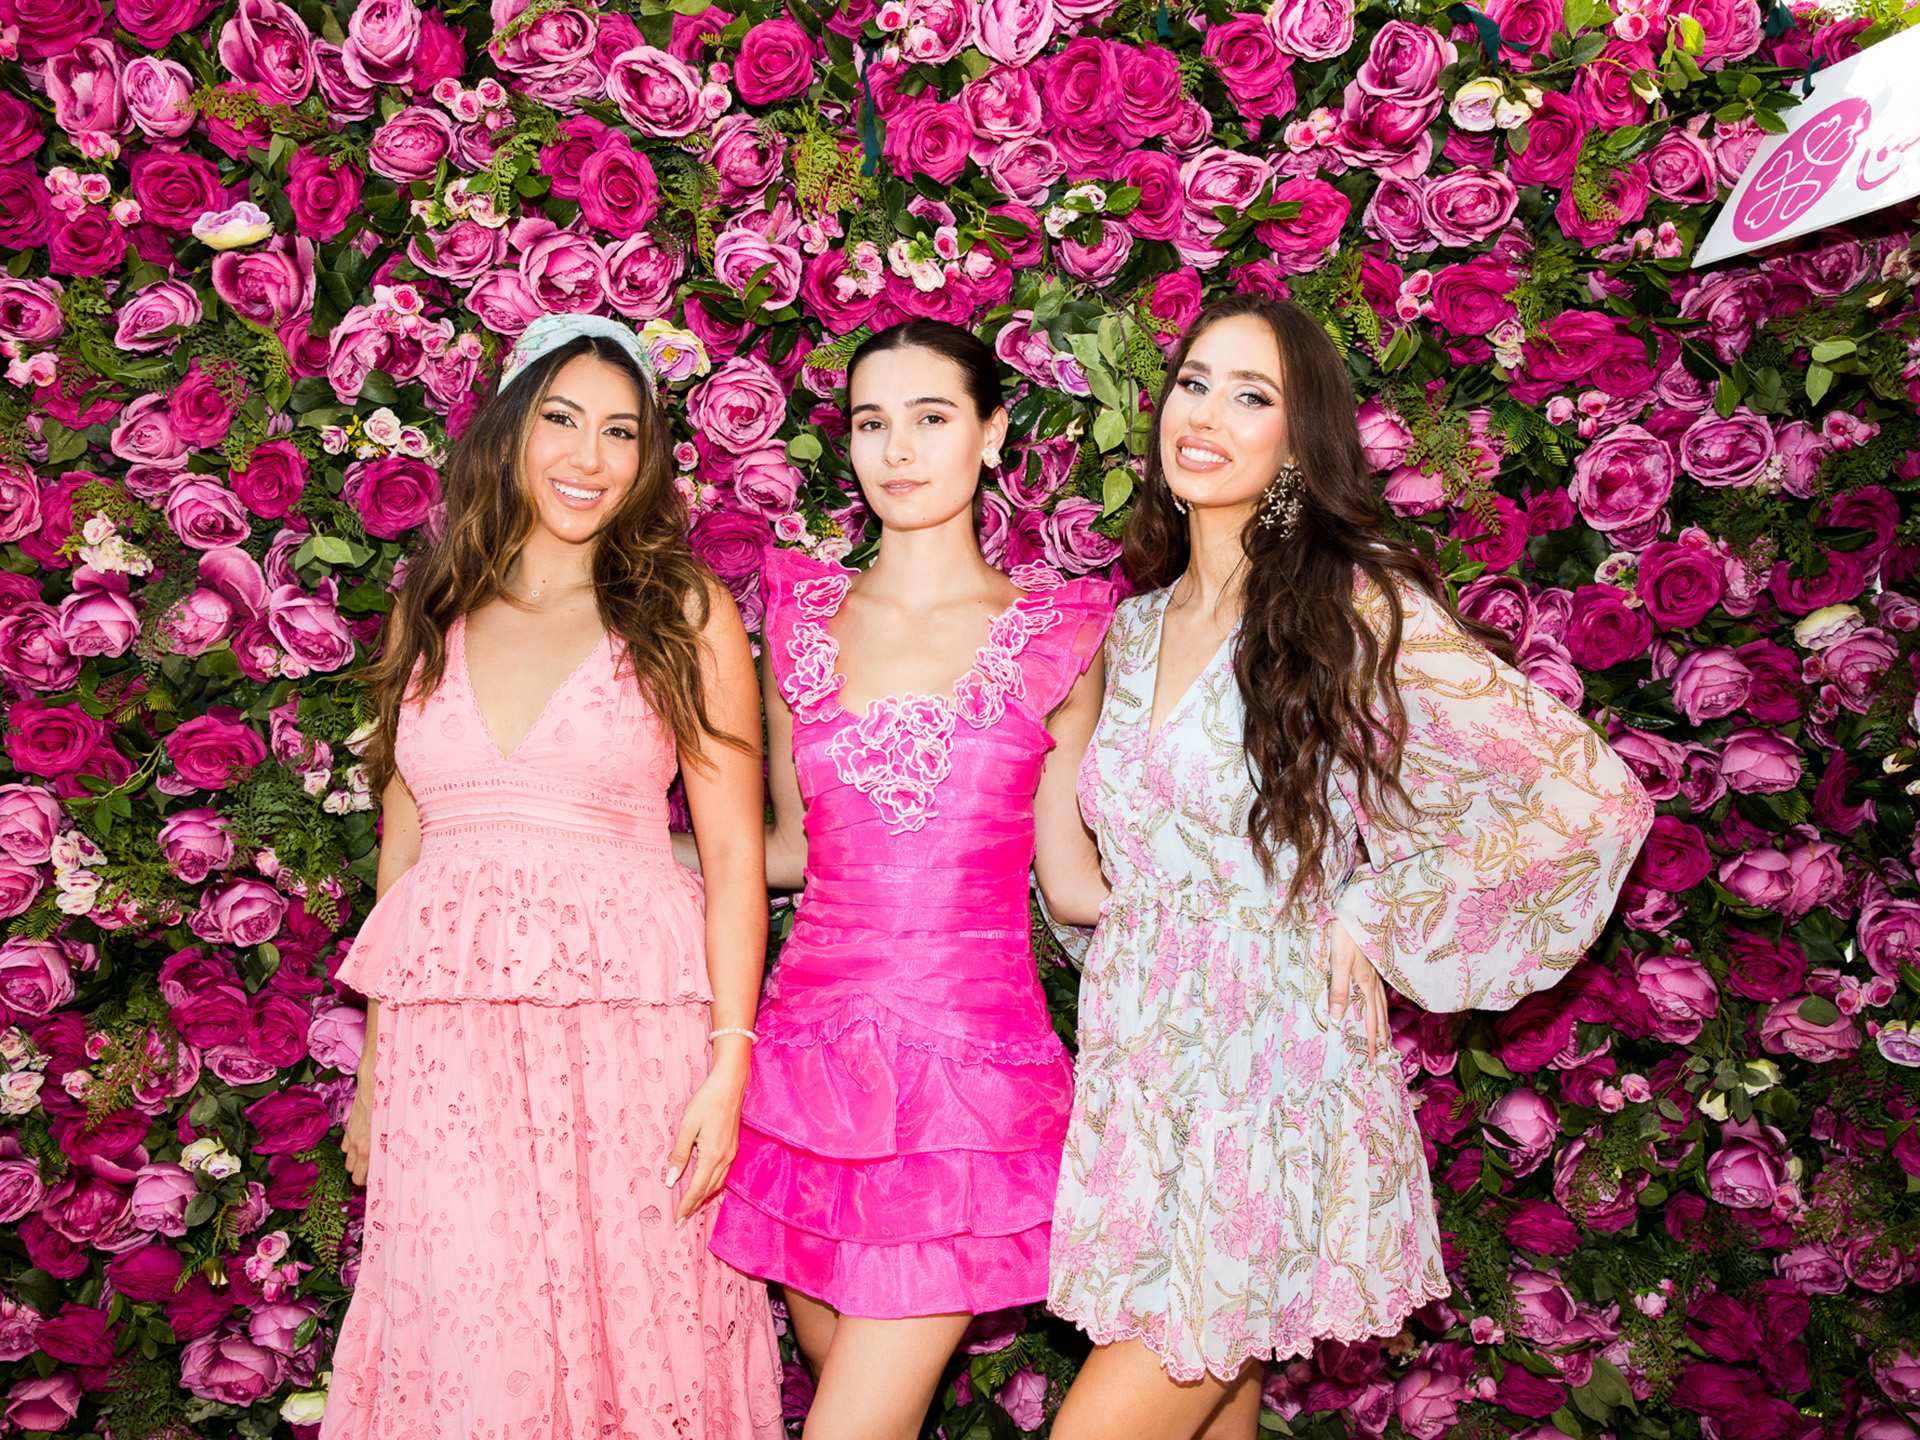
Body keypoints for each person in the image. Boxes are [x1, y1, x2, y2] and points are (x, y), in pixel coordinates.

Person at [1045, 296, 1654, 1439]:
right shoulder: (1127, 632)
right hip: (1146, 1070)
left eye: (1251, 395)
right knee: (1214, 1402)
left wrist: (1375, 912)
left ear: (1298, 440)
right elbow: (1107, 880)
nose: (1208, 413)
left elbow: (1589, 797)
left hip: (1269, 1071)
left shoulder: (1352, 609)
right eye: (1193, 382)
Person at [325, 314, 782, 1440]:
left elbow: (732, 854)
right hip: (451, 1066)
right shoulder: (429, 607)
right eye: (562, 421)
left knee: (640, 1330)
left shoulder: (682, 611)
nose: (589, 458)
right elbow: (406, 845)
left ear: (648, 457)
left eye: (620, 432)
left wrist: (729, 1069)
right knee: (468, 1348)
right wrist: (379, 1059)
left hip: (633, 1047)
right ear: (509, 434)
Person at [681, 319, 1115, 1440]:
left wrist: (1274, 914)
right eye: (874, 423)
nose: (899, 450)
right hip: (802, 1082)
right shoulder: (803, 615)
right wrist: (605, 845)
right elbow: (784, 851)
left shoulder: (1056, 634)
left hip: (969, 1091)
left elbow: (1072, 882)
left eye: (931, 418)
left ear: (991, 434)